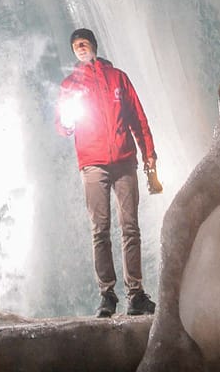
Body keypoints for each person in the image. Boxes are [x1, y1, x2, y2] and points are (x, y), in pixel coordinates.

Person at [56, 27, 159, 318]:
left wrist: (149, 154)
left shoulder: (118, 78)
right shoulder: (70, 85)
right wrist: (65, 122)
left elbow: (138, 118)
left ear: (94, 46)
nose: (80, 48)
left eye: (84, 43)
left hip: (124, 160)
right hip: (93, 164)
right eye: (76, 45)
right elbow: (61, 126)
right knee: (100, 230)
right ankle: (107, 295)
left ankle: (136, 294)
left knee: (130, 228)